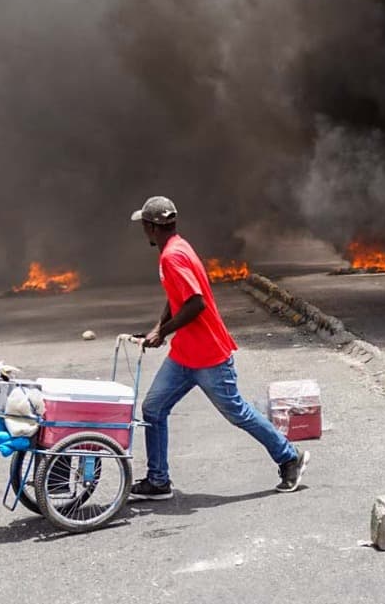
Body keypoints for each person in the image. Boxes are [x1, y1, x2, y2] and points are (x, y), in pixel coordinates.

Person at [130, 195, 309, 499]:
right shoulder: (177, 247)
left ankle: (290, 457)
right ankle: (158, 480)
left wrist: (163, 332)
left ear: (151, 227)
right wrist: (159, 327)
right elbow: (177, 297)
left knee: (237, 412)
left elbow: (195, 303)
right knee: (153, 408)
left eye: (144, 225)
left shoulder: (172, 256)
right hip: (184, 354)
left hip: (209, 355)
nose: (143, 230)